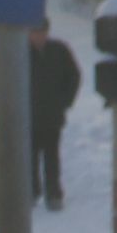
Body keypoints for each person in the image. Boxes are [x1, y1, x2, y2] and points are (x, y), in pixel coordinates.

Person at [29, 19, 81, 211]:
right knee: (30, 157)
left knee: (52, 157)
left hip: (52, 115)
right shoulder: (20, 52)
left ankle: (54, 194)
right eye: (34, 31)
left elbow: (74, 76)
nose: (38, 36)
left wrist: (65, 101)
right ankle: (31, 192)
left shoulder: (59, 50)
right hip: (28, 118)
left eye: (41, 31)